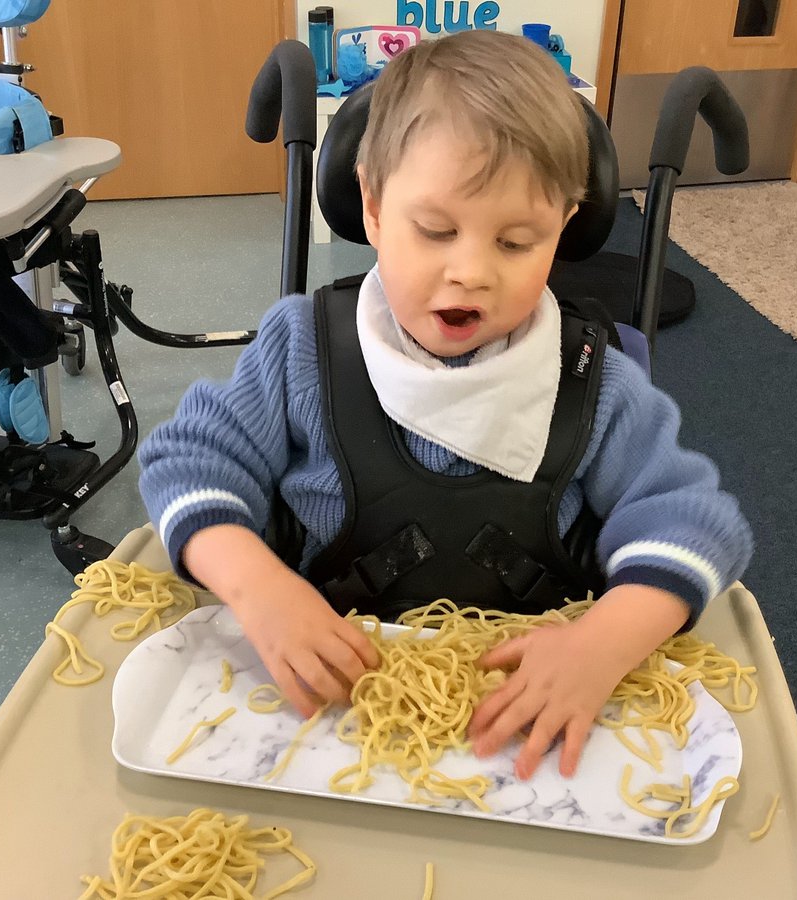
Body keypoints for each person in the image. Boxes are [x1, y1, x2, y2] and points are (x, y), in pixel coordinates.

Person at [138, 29, 752, 782]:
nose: (470, 272)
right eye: (435, 230)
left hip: (525, 727)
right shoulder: (301, 349)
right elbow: (188, 463)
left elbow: (696, 522)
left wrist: (604, 644)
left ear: (563, 228)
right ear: (370, 206)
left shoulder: (597, 383)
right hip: (321, 713)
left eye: (518, 241)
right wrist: (258, 587)